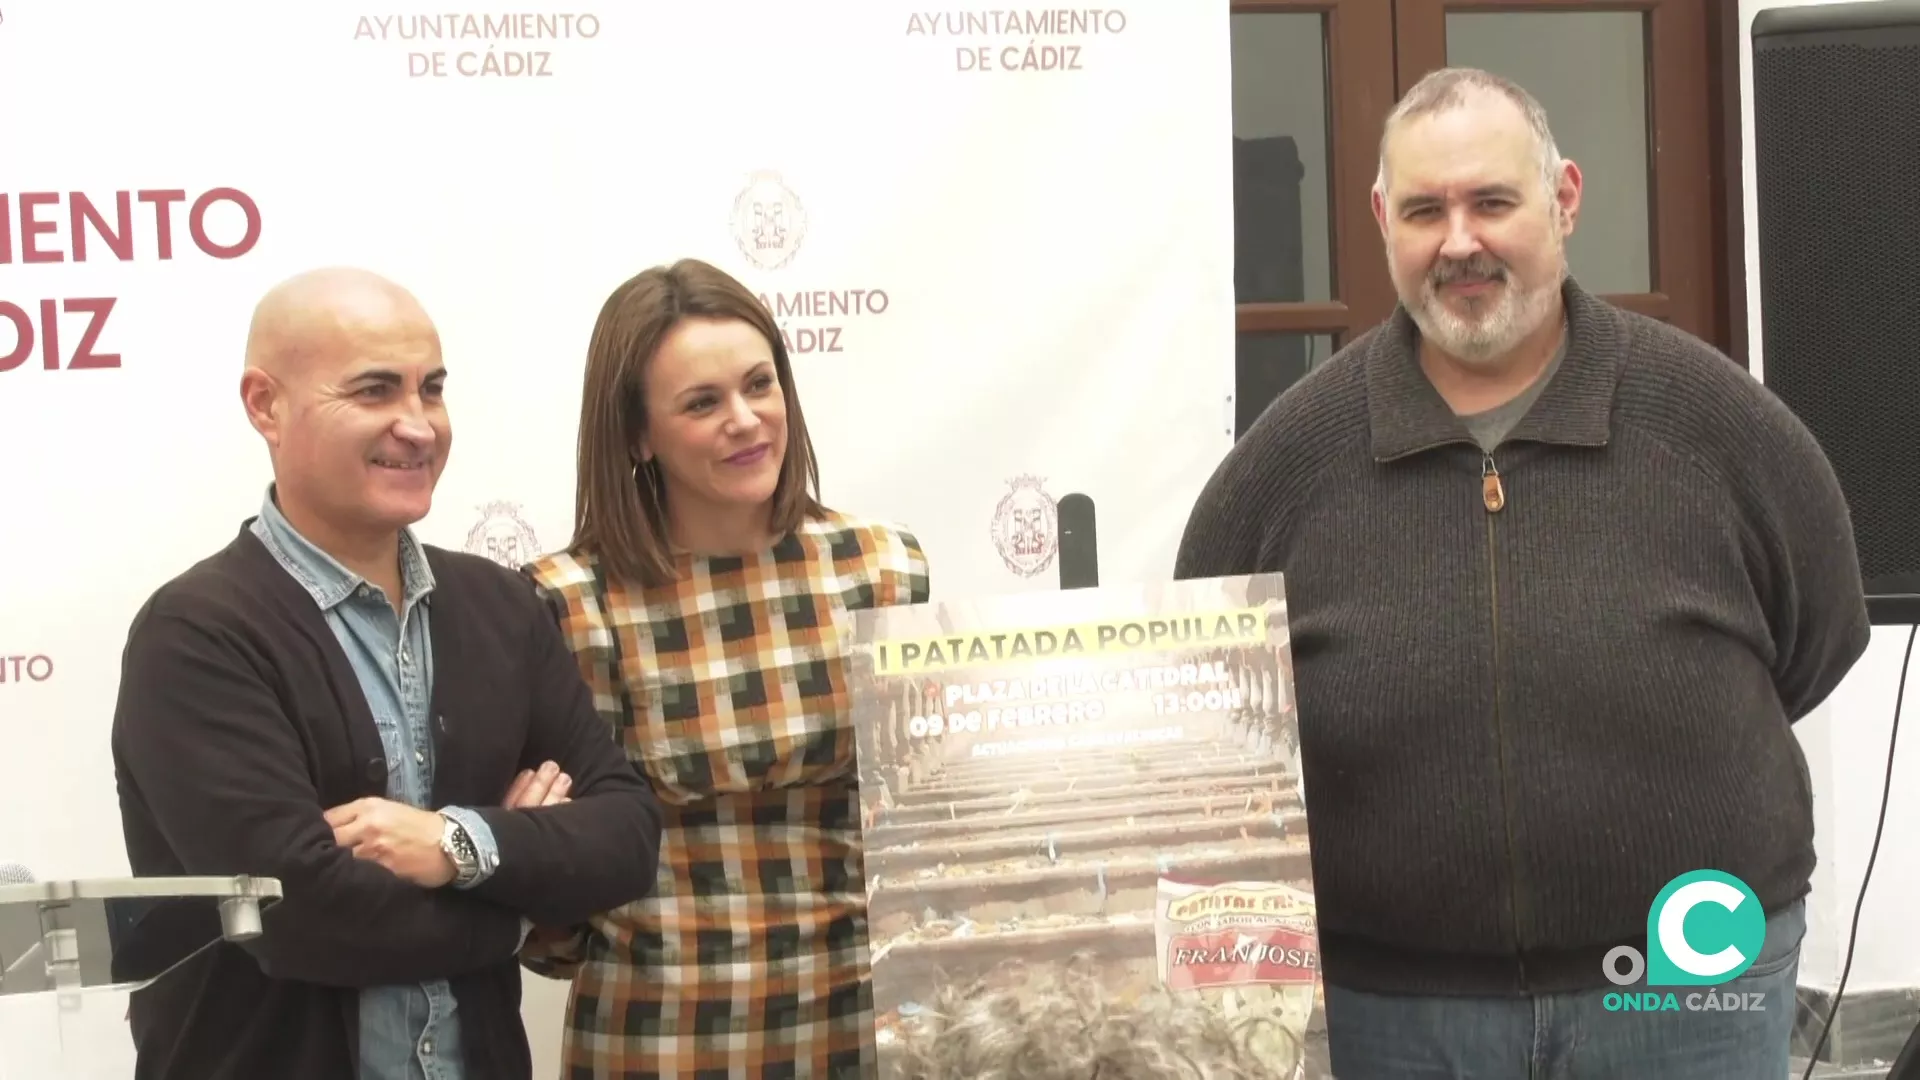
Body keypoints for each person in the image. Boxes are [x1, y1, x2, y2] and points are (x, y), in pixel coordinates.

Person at [1173, 68, 1871, 1078]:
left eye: (1492, 202)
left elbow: (1819, 637)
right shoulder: (1285, 467)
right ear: (1381, 219)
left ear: (1565, 199)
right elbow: (1210, 709)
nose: (1460, 241)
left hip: (1686, 984)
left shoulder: (1720, 427)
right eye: (1425, 210)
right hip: (1387, 1010)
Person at [109, 267, 666, 1080]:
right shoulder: (195, 635)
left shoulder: (501, 606)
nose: (418, 426)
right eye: (374, 391)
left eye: (431, 390)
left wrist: (455, 843)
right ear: (266, 404)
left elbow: (624, 835)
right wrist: (520, 905)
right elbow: (302, 915)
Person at [517, 257, 931, 1078]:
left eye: (760, 385)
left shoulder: (880, 568)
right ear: (637, 434)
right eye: (703, 403)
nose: (746, 420)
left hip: (868, 1016)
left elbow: (920, 822)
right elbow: (564, 882)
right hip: (658, 1026)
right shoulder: (572, 602)